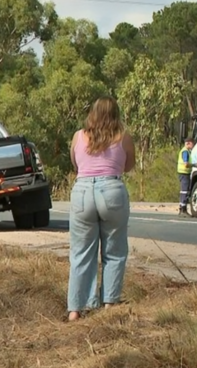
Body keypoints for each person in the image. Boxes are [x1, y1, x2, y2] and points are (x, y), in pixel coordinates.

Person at [67, 96, 136, 322]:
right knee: (114, 252)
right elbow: (129, 165)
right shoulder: (123, 137)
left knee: (81, 253)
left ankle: (76, 309)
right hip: (112, 189)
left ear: (92, 113)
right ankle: (109, 304)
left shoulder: (78, 136)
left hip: (83, 191)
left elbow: (76, 165)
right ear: (116, 114)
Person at [177, 137, 194, 216]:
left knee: (184, 191)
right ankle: (183, 209)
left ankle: (182, 208)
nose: (193, 145)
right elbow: (186, 164)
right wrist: (194, 165)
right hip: (184, 173)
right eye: (192, 143)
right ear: (188, 143)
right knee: (184, 191)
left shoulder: (186, 151)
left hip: (184, 173)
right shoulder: (185, 152)